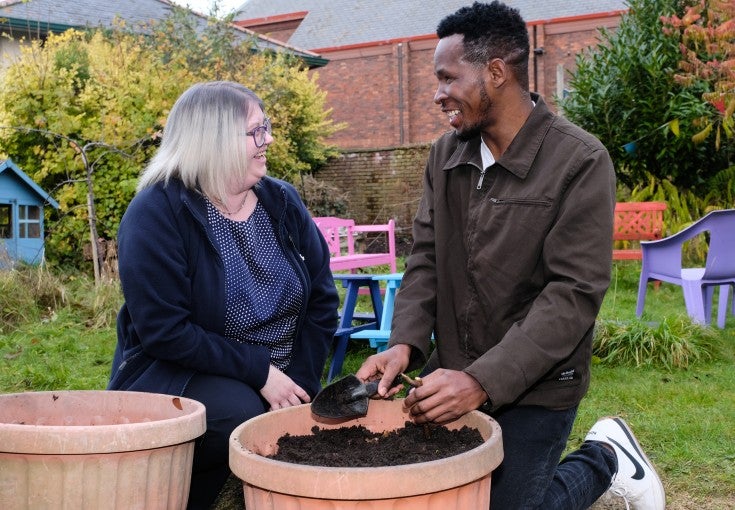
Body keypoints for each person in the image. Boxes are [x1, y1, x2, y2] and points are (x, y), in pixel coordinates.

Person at [355, 2, 665, 509]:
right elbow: (426, 259)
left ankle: (606, 457)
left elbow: (573, 295)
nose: (438, 94)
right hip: (450, 372)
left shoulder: (580, 160)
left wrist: (481, 381)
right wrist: (404, 345)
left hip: (540, 384)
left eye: (447, 78)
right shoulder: (445, 156)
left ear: (496, 73)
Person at [108, 81, 339, 509]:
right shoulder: (157, 212)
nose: (267, 139)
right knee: (240, 414)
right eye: (256, 131)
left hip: (278, 376)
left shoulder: (283, 202)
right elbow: (166, 331)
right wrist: (261, 373)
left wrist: (299, 387)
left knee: (302, 423)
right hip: (179, 372)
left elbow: (323, 301)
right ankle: (170, 494)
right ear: (212, 139)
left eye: (265, 127)